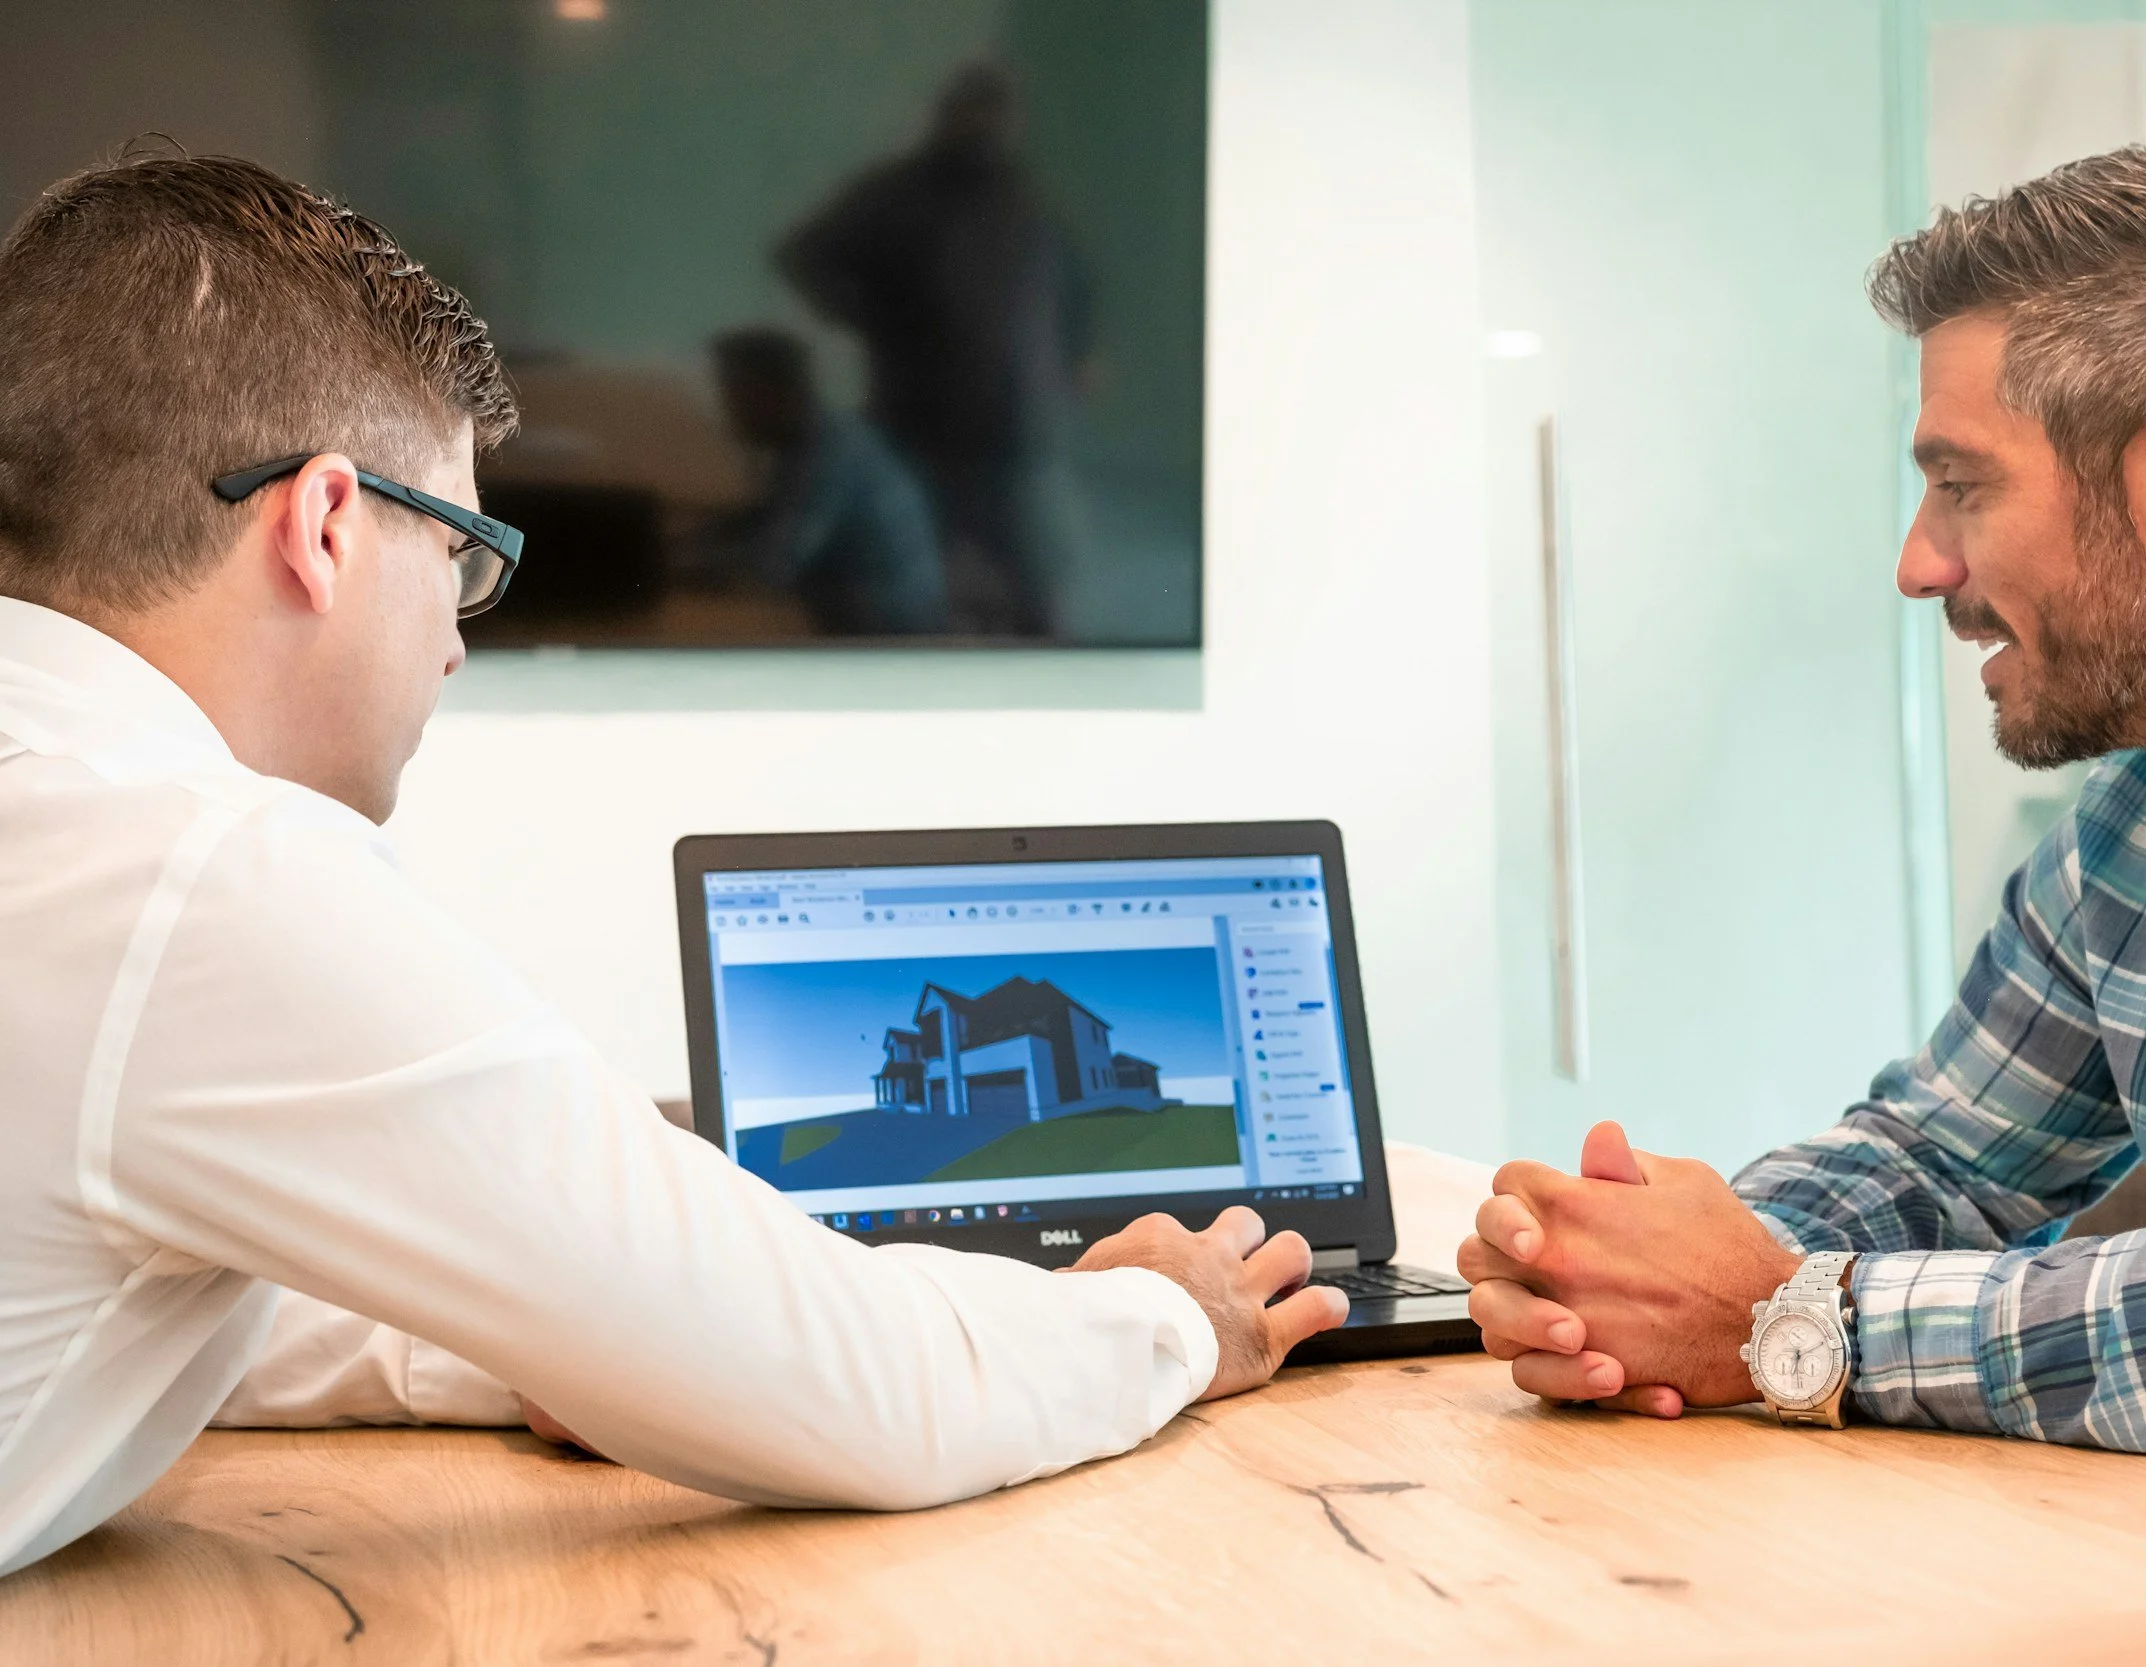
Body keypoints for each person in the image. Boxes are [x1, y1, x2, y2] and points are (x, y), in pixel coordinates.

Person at [0, 154, 1344, 1580]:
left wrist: (574, 1330)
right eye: (457, 553)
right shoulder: (199, 874)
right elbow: (864, 1390)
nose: (459, 635)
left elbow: (146, 1271)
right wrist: (1167, 1314)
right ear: (326, 526)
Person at [1462, 134, 2146, 1462]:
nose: (1917, 562)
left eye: (1961, 483)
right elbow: (1944, 1160)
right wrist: (1617, 1265)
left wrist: (1795, 1319)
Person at [777, 61, 1093, 638]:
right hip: (920, 422)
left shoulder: (1019, 199)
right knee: (913, 577)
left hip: (1010, 427)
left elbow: (1069, 284)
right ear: (946, 115)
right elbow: (804, 255)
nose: (984, 124)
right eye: (970, 110)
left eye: (996, 113)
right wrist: (872, 317)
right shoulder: (896, 194)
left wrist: (1076, 357)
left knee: (1032, 584)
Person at [701, 326, 948, 636]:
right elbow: (771, 520)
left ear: (775, 393)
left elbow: (774, 566)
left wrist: (685, 568)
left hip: (890, 639)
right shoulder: (814, 439)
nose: (729, 412)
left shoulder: (830, 457)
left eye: (736, 394)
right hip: (867, 623)